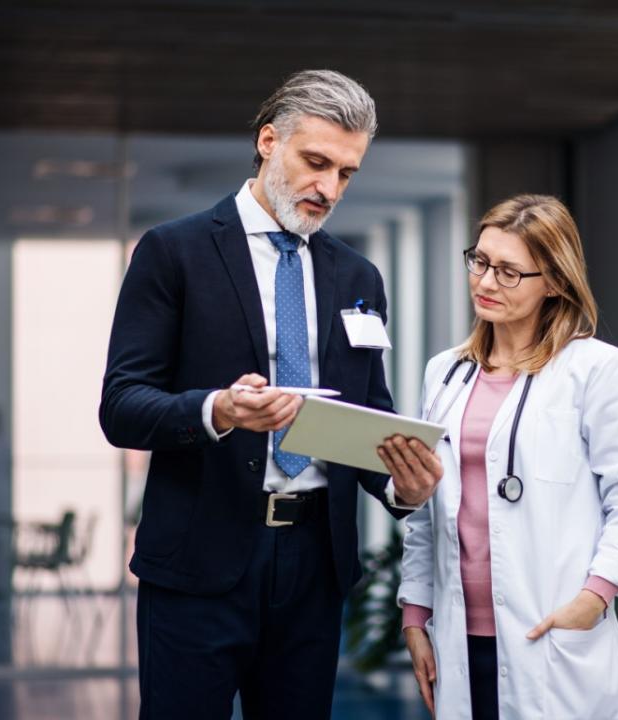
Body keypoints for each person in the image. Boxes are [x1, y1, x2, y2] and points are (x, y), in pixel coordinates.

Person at [100, 69, 442, 720]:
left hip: (314, 569)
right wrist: (218, 410)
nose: (329, 188)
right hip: (199, 564)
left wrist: (403, 485)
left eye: (346, 173)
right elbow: (121, 404)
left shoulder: (357, 276)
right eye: (316, 163)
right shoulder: (174, 253)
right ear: (267, 141)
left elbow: (369, 416)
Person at [397, 194, 618, 719]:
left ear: (555, 281)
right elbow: (431, 513)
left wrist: (595, 598)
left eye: (509, 272)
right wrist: (415, 613)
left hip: (551, 634)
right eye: (480, 261)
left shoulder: (595, 370)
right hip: (458, 636)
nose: (486, 282)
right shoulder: (446, 372)